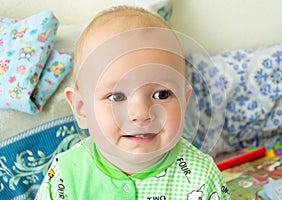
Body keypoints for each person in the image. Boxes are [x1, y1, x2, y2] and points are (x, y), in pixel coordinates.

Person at [35, 6, 230, 200]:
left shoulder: (201, 177)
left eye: (162, 94)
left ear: (184, 101)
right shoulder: (65, 175)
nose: (142, 113)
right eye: (116, 97)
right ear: (82, 109)